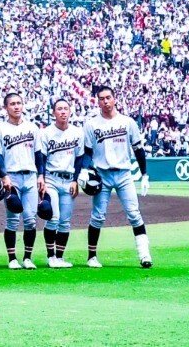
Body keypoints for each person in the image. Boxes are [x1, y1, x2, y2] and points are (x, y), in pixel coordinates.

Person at [82, 85, 152, 269]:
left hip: (123, 174)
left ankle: (144, 255)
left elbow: (138, 149)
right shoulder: (91, 124)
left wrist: (144, 174)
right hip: (102, 174)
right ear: (97, 102)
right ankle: (91, 256)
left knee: (134, 214)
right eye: (101, 98)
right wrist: (84, 169)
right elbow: (88, 151)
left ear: (114, 99)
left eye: (108, 98)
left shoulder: (127, 122)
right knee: (97, 216)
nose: (105, 101)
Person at [0, 91, 44, 270]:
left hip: (30, 176)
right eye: (12, 104)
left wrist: (41, 175)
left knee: (31, 220)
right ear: (6, 108)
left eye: (19, 103)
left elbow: (38, 154)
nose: (16, 106)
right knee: (12, 219)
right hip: (11, 177)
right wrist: (3, 176)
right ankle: (12, 258)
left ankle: (27, 257)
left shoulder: (32, 128)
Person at [39, 98, 84, 268]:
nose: (63, 111)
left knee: (65, 221)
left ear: (70, 111)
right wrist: (41, 177)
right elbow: (41, 158)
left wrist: (75, 180)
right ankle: (51, 257)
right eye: (59, 109)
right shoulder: (46, 133)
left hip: (69, 180)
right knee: (54, 217)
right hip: (51, 177)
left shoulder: (77, 133)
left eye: (66, 108)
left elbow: (80, 158)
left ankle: (60, 257)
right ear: (53, 112)